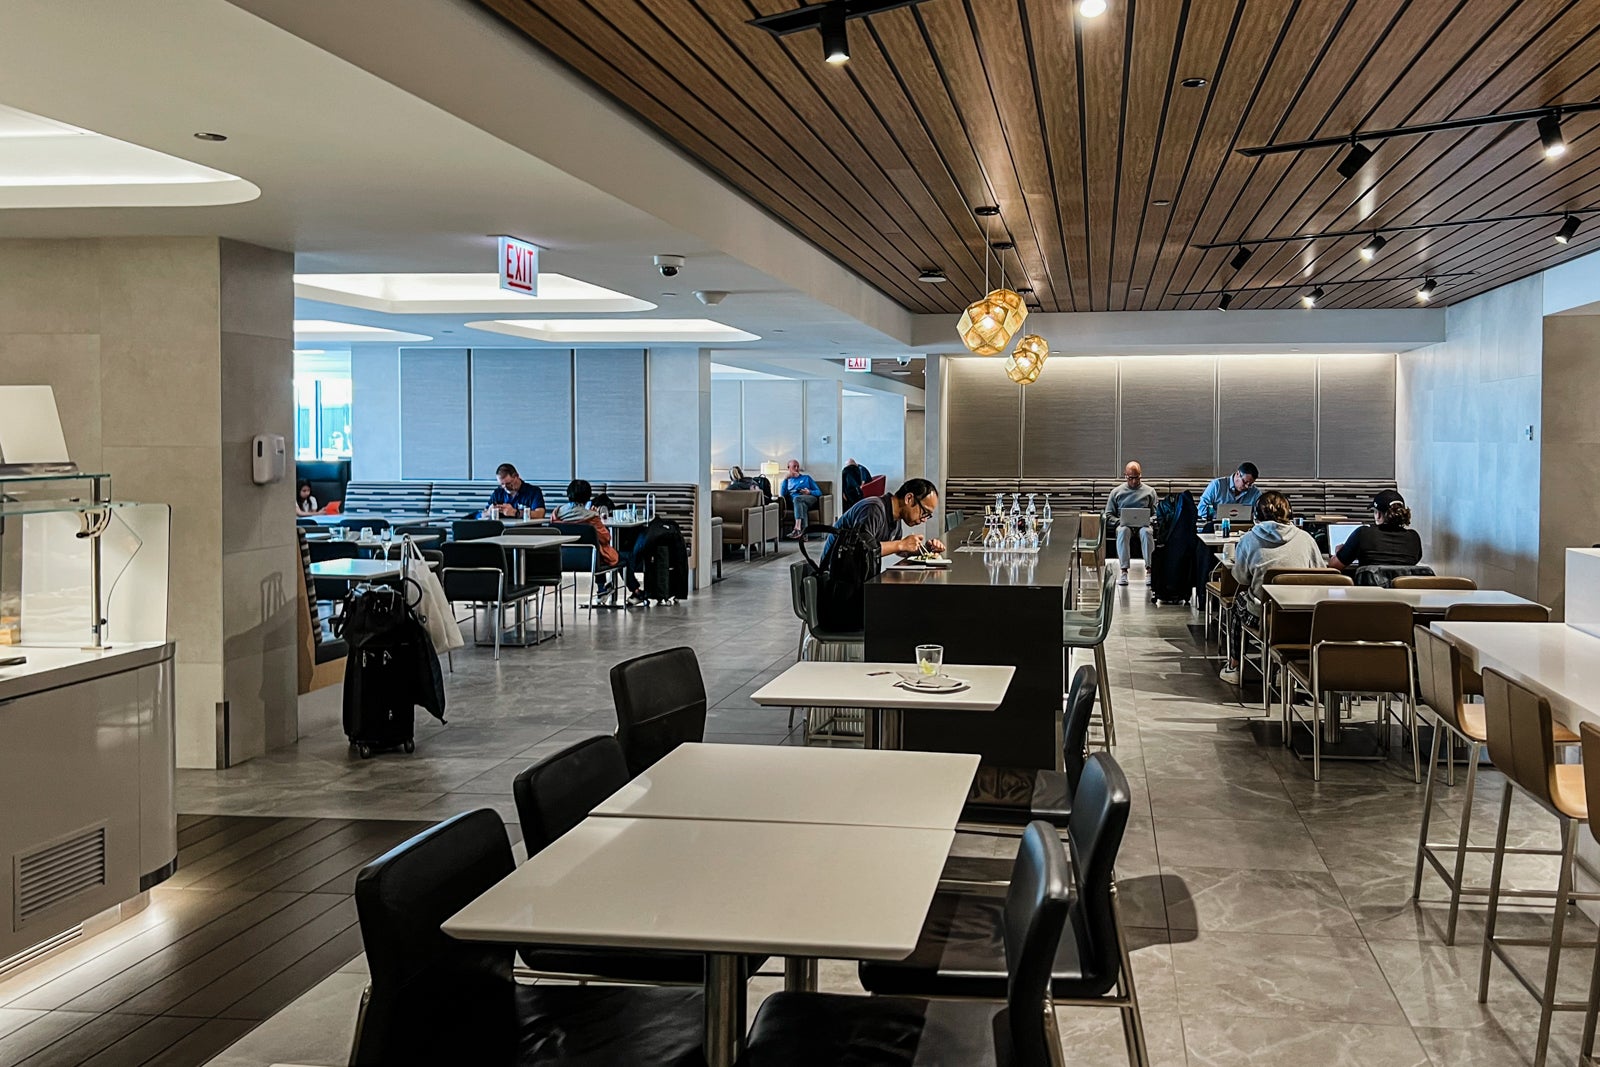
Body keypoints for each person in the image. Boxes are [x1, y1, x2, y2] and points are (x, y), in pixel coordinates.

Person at [1219, 491, 1323, 685]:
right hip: (1303, 616)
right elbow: (1321, 574)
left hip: (1263, 616)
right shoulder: (1306, 538)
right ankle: (1286, 669)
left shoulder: (1249, 539)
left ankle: (1234, 666)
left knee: (1238, 603)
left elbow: (1241, 578)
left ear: (1256, 515)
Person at [825, 477, 945, 565]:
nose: (924, 519)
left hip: (854, 576)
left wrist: (924, 551)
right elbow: (862, 550)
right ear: (909, 498)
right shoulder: (873, 508)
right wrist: (901, 544)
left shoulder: (895, 516)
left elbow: (900, 550)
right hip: (835, 578)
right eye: (924, 512)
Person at [551, 479, 630, 599]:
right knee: (617, 556)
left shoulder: (556, 514)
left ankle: (603, 589)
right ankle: (632, 591)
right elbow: (606, 538)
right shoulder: (591, 517)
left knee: (595, 549)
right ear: (588, 497)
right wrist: (596, 516)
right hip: (591, 560)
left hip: (564, 559)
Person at [1329, 490, 1423, 570]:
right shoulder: (1413, 538)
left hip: (1370, 591)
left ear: (1378, 514)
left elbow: (1334, 566)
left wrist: (1340, 553)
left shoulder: (1363, 534)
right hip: (1404, 591)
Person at [1103, 461, 1160, 587]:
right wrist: (1121, 521)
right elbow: (1108, 515)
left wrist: (1148, 520)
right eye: (1131, 478)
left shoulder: (1150, 492)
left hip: (1144, 526)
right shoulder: (1116, 492)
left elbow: (1157, 515)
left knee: (1146, 532)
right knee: (1123, 531)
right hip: (1124, 525)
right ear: (1125, 476)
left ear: (1141, 475)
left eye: (1137, 478)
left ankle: (1150, 571)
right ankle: (1123, 571)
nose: (1134, 481)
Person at [779, 459, 823, 539]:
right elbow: (782, 495)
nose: (796, 468)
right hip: (797, 503)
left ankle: (797, 528)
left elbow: (819, 492)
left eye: (798, 466)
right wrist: (785, 479)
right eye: (794, 466)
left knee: (797, 499)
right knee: (801, 505)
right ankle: (804, 535)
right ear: (789, 468)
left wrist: (809, 492)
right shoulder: (787, 481)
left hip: (810, 499)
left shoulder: (806, 478)